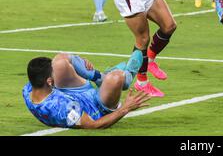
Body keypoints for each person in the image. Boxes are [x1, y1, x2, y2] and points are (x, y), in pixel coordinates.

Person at [22, 51, 151, 129]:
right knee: (116, 78)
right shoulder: (63, 108)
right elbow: (93, 125)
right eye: (53, 73)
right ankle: (124, 77)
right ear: (49, 81)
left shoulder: (28, 90)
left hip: (74, 94)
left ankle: (99, 77)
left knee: (59, 61)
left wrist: (80, 63)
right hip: (97, 108)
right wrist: (126, 108)